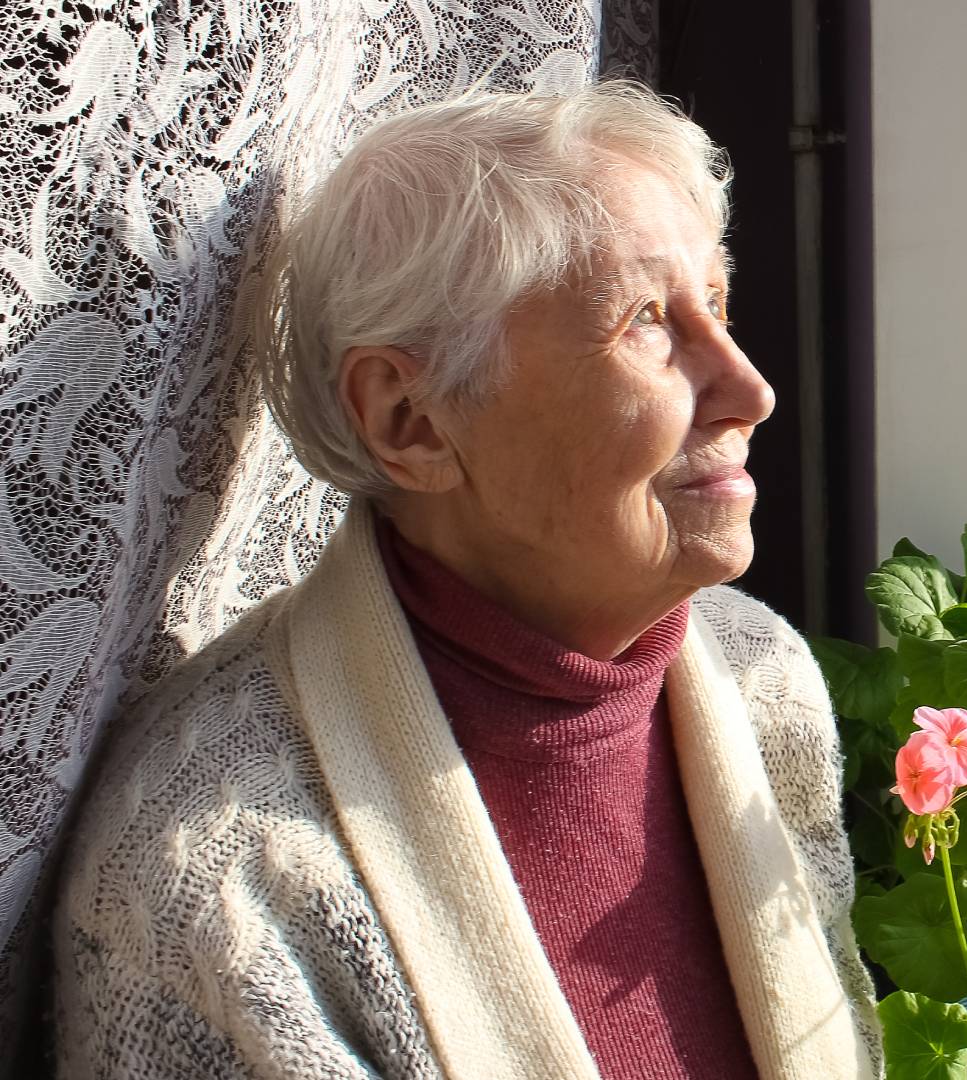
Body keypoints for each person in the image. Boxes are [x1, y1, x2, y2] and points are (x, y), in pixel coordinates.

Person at [54, 82, 880, 1079]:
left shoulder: (762, 680)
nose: (751, 388)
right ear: (411, 418)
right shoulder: (219, 868)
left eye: (719, 303)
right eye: (647, 323)